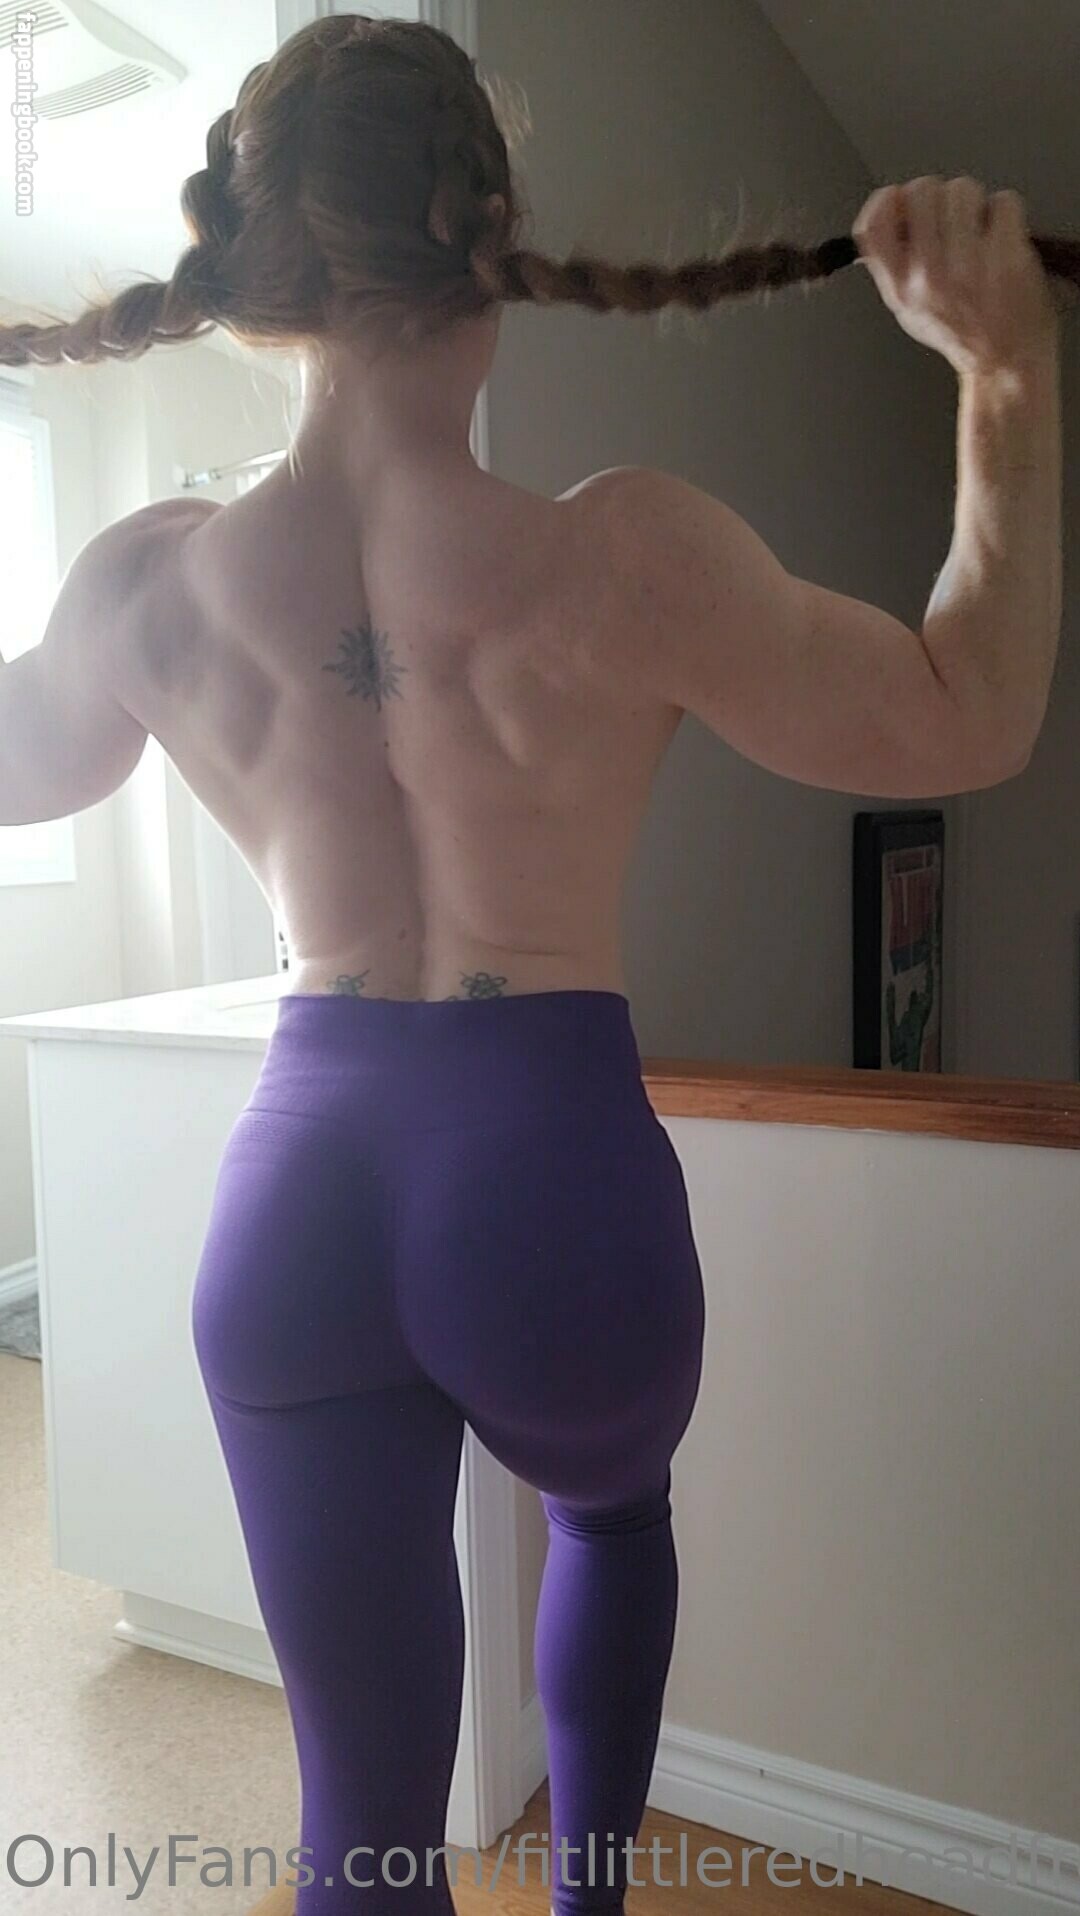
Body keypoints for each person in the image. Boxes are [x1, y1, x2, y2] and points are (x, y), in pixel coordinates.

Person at [0, 15, 1062, 1915]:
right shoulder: (630, 554)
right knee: (611, 1520)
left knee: (362, 1834)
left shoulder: (150, 585)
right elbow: (967, 713)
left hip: (299, 1206)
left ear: (261, 280)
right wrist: (1001, 380)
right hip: (554, 1190)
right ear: (489, 238)